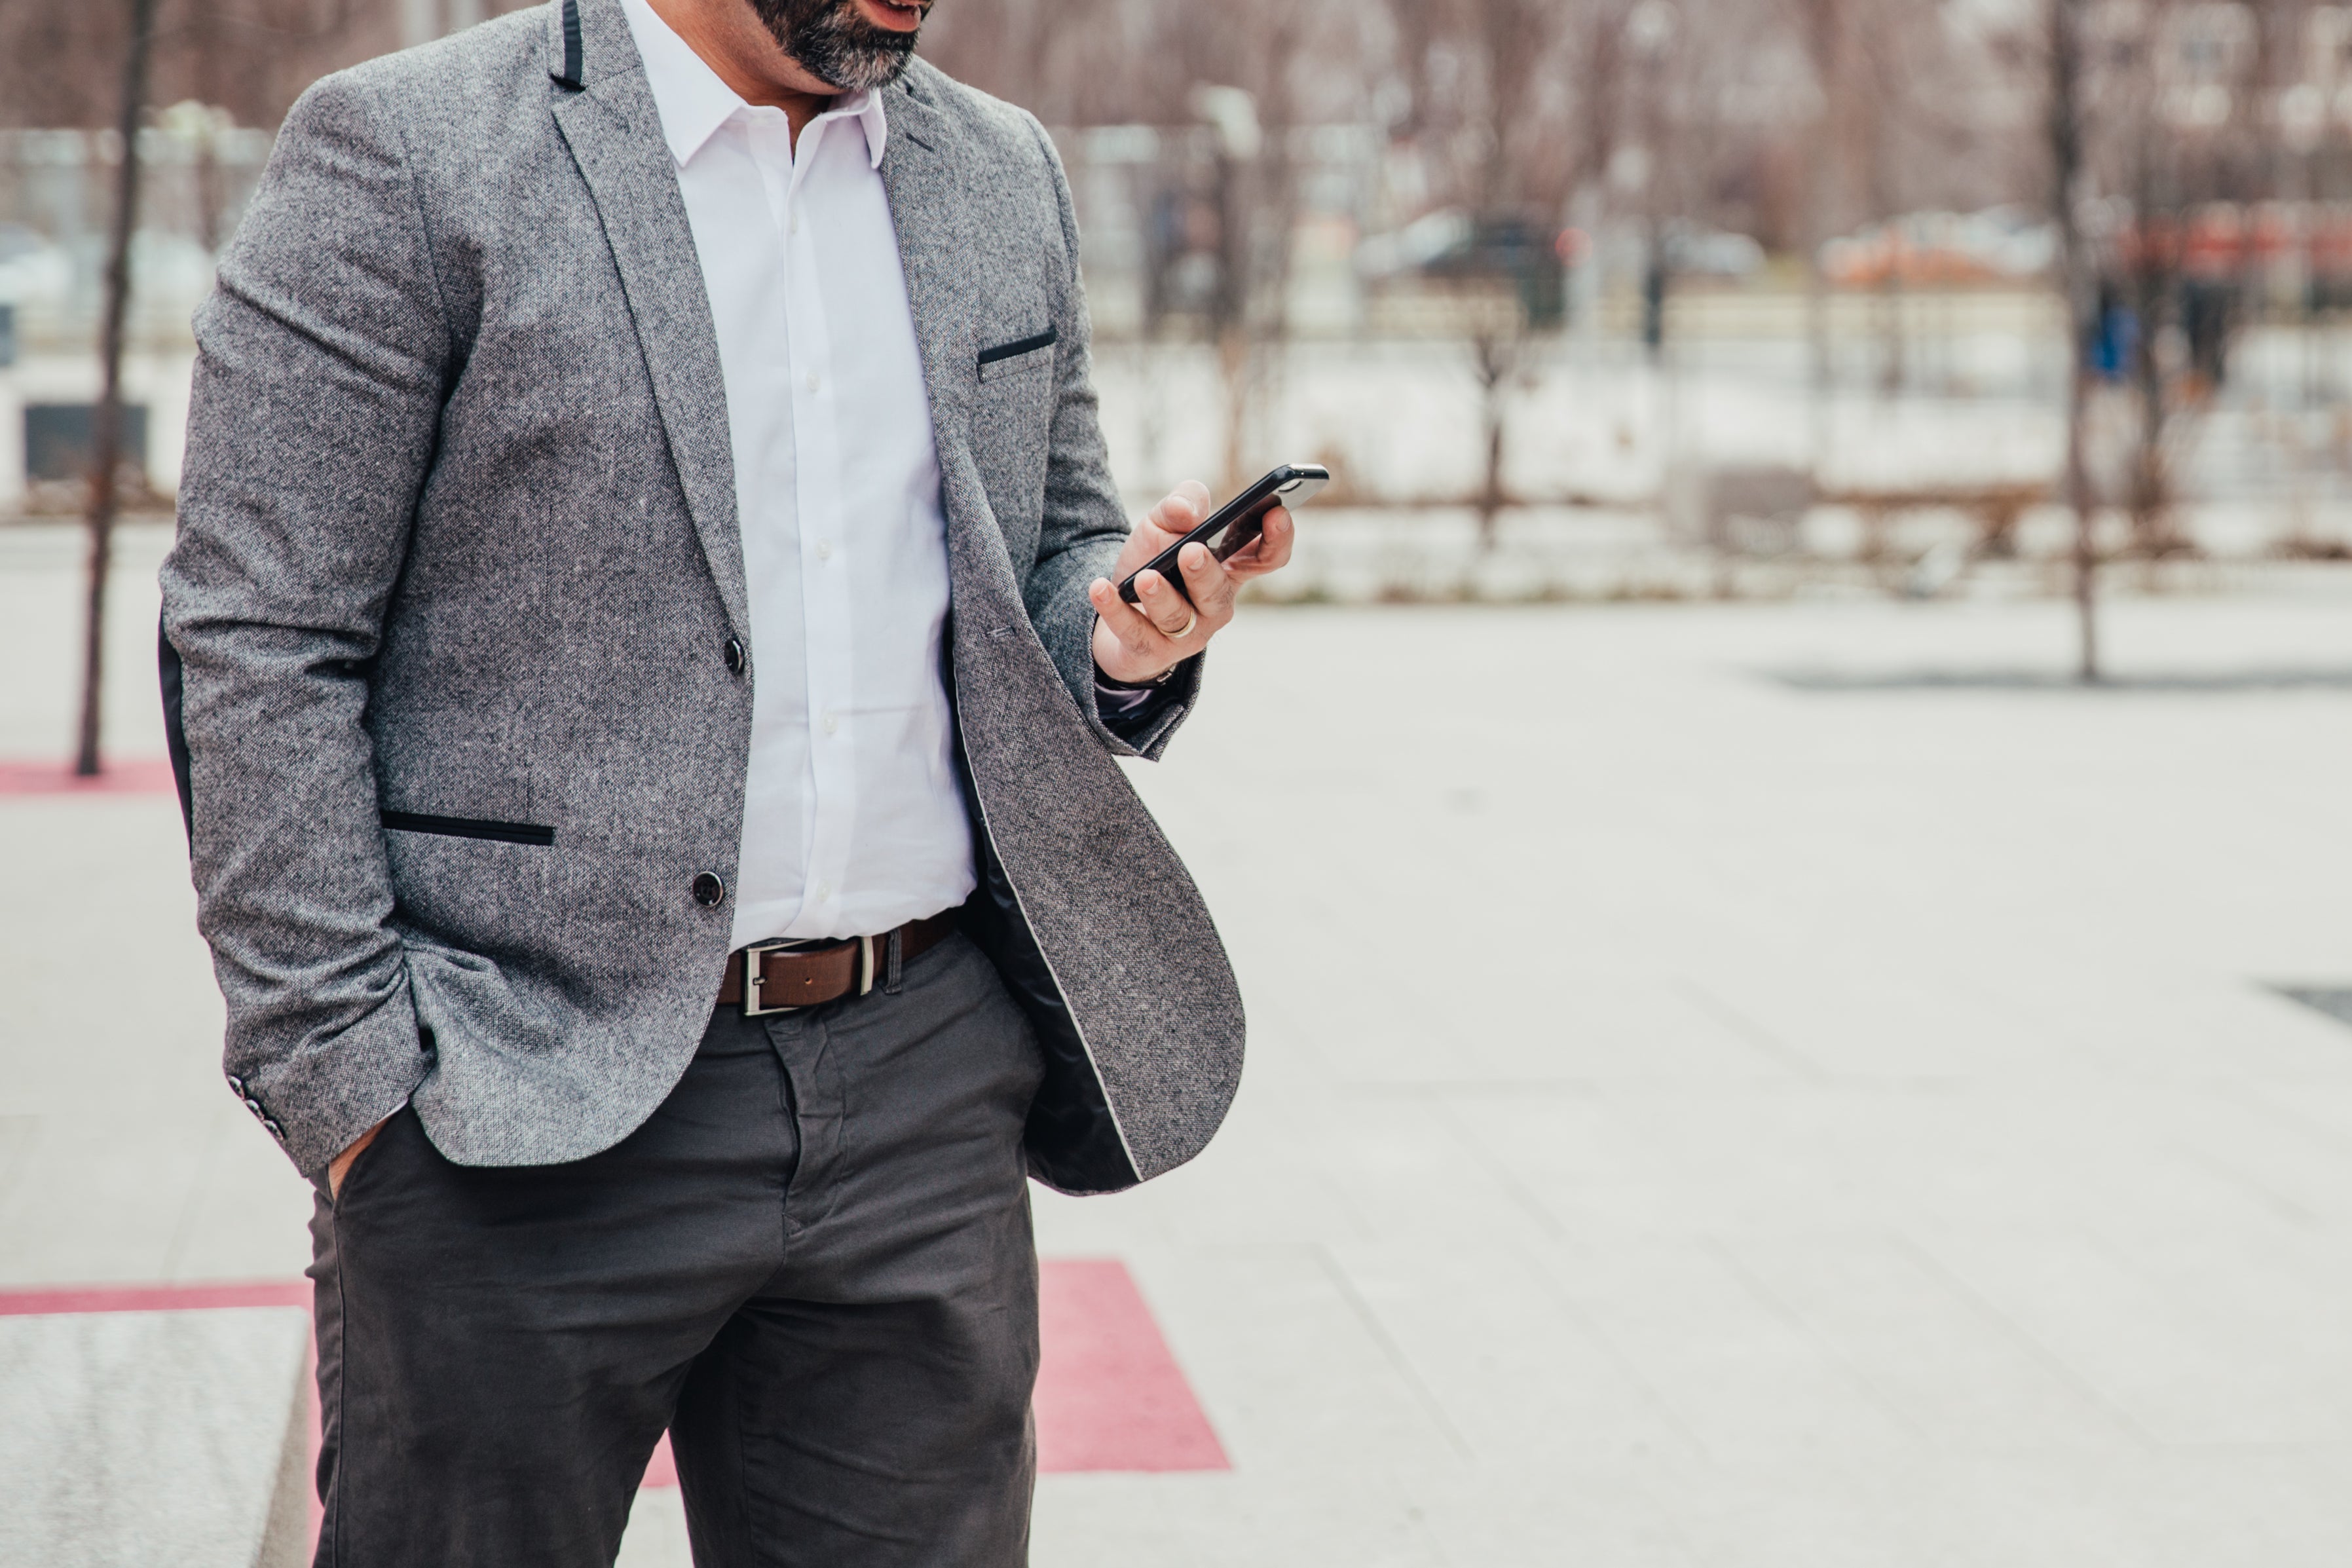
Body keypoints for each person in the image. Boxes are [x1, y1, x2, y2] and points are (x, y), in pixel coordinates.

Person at [157, 0, 1290, 1559]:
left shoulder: (998, 169)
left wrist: (1125, 631)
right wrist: (350, 1087)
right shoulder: (407, 154)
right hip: (510, 1095)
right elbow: (258, 637)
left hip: (921, 1087)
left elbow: (1045, 550)